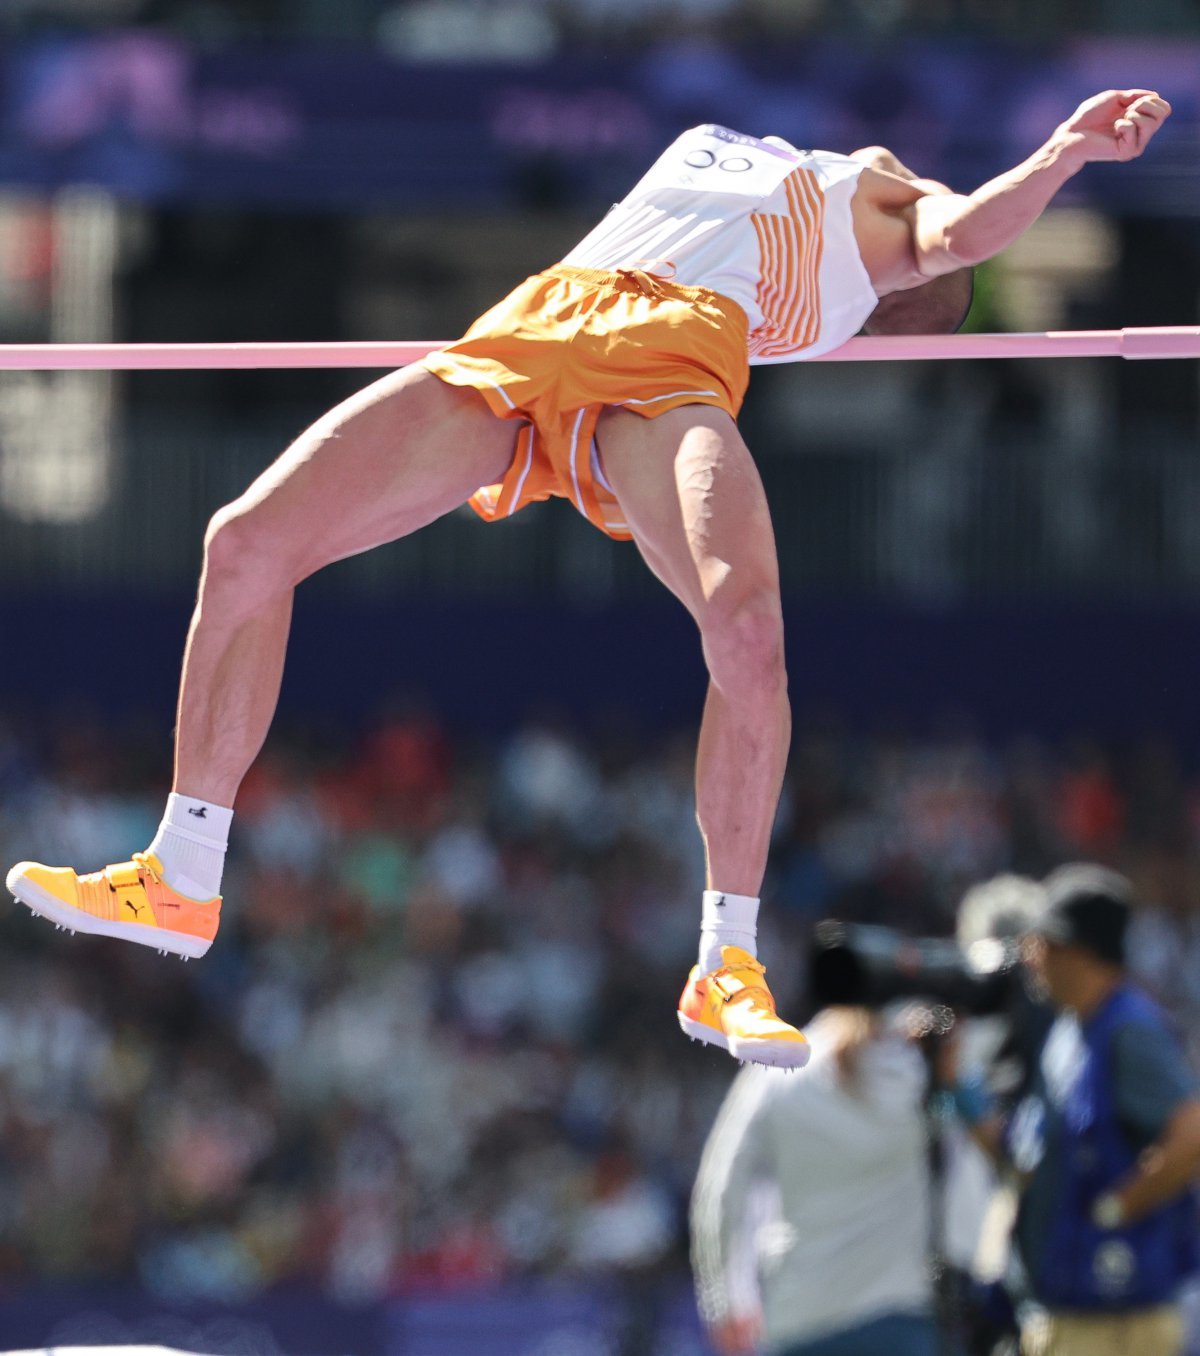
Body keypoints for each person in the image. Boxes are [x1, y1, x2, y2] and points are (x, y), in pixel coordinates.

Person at [6, 91, 1171, 1069]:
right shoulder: (825, 178)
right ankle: (183, 872)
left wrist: (1065, 155)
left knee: (748, 632)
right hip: (538, 324)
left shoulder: (880, 257)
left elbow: (966, 234)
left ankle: (728, 959)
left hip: (668, 373)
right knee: (243, 541)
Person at [944, 864, 1200, 1356]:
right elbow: (1023, 1163)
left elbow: (1190, 1135)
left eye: (1042, 943)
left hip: (1119, 1323)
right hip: (1066, 1315)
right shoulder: (1069, 1033)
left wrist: (1116, 1207)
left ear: (1078, 951)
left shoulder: (1129, 1030)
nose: (1031, 957)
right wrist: (958, 1089)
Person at [691, 1005, 939, 1355]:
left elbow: (720, 1190)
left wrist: (724, 1303)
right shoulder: (918, 1072)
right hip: (900, 1318)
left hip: (801, 1320)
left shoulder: (774, 1073)